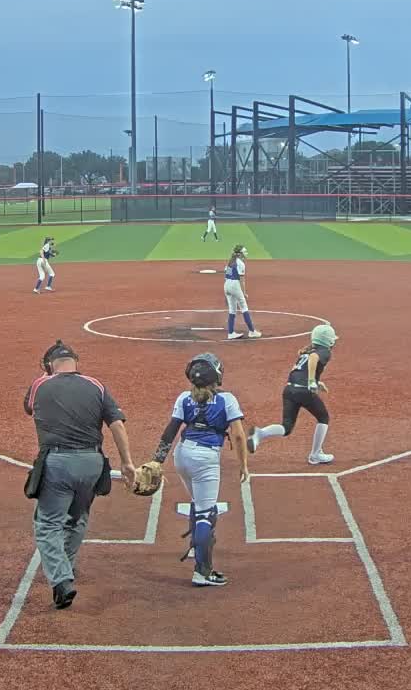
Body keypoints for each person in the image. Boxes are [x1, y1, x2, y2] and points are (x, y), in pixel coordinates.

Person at [23, 340, 135, 609]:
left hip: (58, 463)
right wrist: (127, 463)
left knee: (48, 524)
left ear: (50, 365)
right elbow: (117, 424)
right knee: (77, 517)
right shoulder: (96, 385)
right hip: (92, 463)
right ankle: (66, 565)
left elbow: (29, 408)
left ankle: (61, 580)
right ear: (76, 362)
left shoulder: (40, 385)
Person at [146, 353, 248, 586]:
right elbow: (239, 436)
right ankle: (202, 572)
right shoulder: (227, 399)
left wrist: (157, 461)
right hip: (205, 459)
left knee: (197, 501)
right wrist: (243, 464)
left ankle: (197, 546)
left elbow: (170, 430)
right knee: (206, 513)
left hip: (182, 455)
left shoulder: (184, 398)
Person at [248, 323, 338, 465]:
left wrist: (316, 382)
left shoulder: (307, 351)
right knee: (323, 417)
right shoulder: (323, 352)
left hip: (289, 390)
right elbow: (314, 358)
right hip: (303, 391)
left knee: (286, 427)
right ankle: (315, 454)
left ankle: (260, 433)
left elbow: (299, 372)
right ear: (328, 340)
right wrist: (311, 381)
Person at [223, 244, 261, 340]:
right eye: (245, 252)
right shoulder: (240, 263)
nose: (246, 253)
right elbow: (242, 280)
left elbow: (226, 275)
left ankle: (231, 333)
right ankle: (252, 331)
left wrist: (227, 292)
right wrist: (244, 292)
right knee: (244, 307)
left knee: (232, 310)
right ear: (240, 254)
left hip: (226, 284)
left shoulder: (230, 261)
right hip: (235, 284)